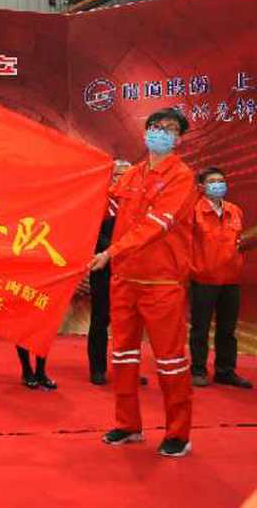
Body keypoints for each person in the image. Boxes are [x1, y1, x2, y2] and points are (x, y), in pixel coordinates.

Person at [88, 107, 197, 458]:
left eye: (169, 129)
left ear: (178, 138)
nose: (160, 132)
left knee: (170, 360)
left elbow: (155, 225)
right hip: (124, 280)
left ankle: (178, 432)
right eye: (155, 126)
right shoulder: (133, 174)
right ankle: (128, 424)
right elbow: (100, 201)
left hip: (161, 283)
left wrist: (111, 251)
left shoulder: (182, 177)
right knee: (123, 356)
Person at [189, 166, 252, 389]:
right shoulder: (193, 211)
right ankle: (198, 370)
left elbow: (239, 241)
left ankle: (225, 370)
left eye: (221, 181)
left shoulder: (235, 210)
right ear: (201, 186)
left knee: (228, 329)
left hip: (231, 279)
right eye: (212, 181)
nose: (218, 185)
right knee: (200, 328)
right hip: (203, 279)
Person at [82, 159, 131, 385]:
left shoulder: (137, 203)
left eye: (127, 176)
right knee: (101, 318)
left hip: (131, 268)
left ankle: (128, 367)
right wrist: (114, 251)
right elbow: (92, 234)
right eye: (118, 175)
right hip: (104, 266)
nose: (123, 180)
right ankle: (98, 368)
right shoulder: (100, 201)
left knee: (129, 322)